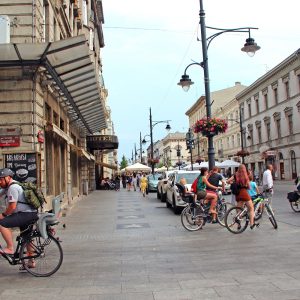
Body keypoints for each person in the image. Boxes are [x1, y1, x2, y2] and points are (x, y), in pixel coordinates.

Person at [0, 168, 38, 260]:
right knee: (26, 238)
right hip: (30, 214)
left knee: (2, 223)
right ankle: (31, 261)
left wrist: (3, 215)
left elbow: (12, 207)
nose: (0, 182)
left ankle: (10, 248)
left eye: (1, 179)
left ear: (8, 178)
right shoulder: (11, 186)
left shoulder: (12, 188)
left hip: (25, 215)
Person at [234, 164, 257, 229]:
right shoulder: (245, 175)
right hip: (244, 193)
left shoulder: (235, 175)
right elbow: (249, 187)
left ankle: (238, 224)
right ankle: (252, 224)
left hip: (237, 194)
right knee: (251, 208)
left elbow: (228, 181)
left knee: (238, 210)